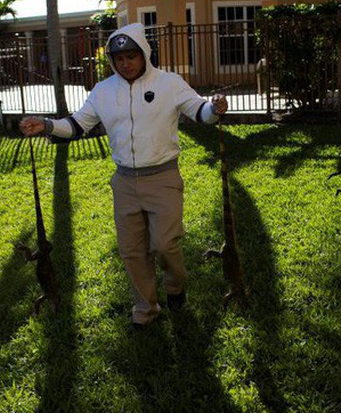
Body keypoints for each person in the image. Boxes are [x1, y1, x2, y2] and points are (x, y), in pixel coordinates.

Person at [20, 23, 228, 327]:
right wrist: (47, 125)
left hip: (163, 178)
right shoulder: (103, 91)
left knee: (166, 244)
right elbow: (78, 125)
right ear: (112, 61)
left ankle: (175, 287)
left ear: (145, 54)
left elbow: (200, 111)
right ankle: (146, 310)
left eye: (131, 56)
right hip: (125, 182)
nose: (125, 63)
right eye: (119, 58)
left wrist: (215, 107)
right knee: (132, 251)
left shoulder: (170, 83)